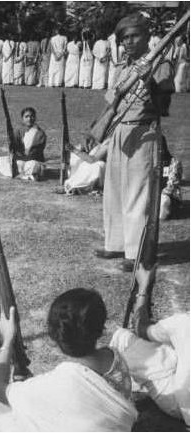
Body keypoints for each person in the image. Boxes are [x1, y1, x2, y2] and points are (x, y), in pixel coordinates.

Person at [0, 289, 138, 432]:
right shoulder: (115, 358)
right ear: (101, 327)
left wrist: (7, 341)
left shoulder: (58, 383)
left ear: (54, 336)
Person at [95, 13, 174, 272]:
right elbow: (112, 102)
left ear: (147, 36)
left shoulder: (160, 64)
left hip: (143, 132)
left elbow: (162, 107)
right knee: (114, 191)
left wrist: (149, 80)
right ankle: (116, 243)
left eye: (134, 36)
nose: (128, 42)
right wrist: (98, 128)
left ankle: (137, 251)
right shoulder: (122, 67)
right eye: (124, 38)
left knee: (138, 194)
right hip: (119, 132)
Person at [110, 267, 189, 426]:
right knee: (171, 347)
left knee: (122, 338)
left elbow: (140, 327)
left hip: (181, 405)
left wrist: (143, 285)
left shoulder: (183, 322)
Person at [0, 107, 46, 181]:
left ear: (35, 118)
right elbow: (13, 148)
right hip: (20, 161)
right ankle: (23, 176)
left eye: (31, 116)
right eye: (26, 116)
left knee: (34, 165)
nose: (29, 119)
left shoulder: (39, 133)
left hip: (31, 161)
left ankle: (19, 174)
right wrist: (11, 142)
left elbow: (32, 153)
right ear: (22, 119)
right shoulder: (18, 131)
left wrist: (18, 158)